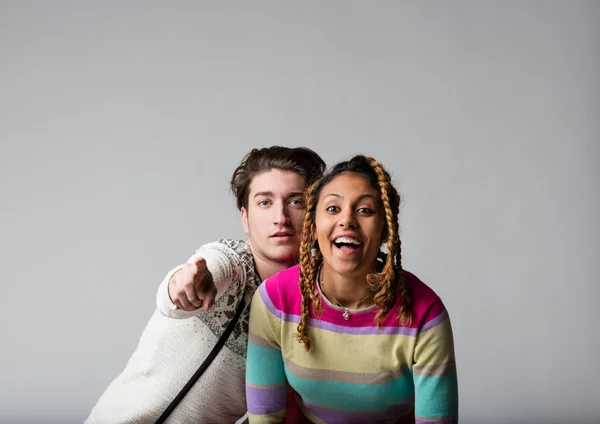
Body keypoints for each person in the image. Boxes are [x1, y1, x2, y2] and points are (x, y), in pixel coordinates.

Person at [86, 146, 326, 424]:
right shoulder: (231, 262)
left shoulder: (310, 304)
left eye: (296, 202)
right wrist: (184, 285)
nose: (280, 217)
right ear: (245, 218)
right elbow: (194, 278)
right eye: (264, 202)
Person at [246, 155, 458, 423]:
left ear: (385, 230)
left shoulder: (425, 313)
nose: (347, 220)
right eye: (333, 209)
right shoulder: (274, 299)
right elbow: (265, 415)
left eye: (365, 210)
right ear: (312, 226)